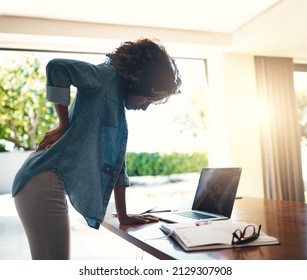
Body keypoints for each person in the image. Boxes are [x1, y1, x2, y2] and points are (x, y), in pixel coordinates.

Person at [12, 38, 181, 260]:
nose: (146, 106)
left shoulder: (117, 109)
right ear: (138, 81)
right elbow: (57, 67)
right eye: (149, 98)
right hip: (43, 180)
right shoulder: (105, 77)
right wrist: (64, 125)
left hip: (45, 182)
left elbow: (117, 166)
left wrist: (124, 215)